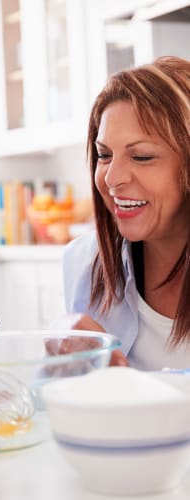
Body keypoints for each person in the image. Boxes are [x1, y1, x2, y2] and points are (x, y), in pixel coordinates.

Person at [62, 56, 190, 370]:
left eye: (142, 156)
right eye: (104, 155)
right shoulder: (83, 261)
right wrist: (62, 341)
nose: (111, 177)